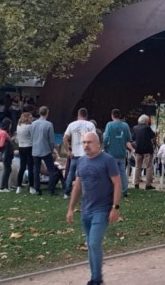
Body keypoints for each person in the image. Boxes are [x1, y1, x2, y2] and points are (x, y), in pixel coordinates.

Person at [66, 132, 121, 285]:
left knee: (94, 243)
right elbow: (77, 186)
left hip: (102, 209)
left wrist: (115, 207)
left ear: (98, 144)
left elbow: (117, 183)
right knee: (90, 245)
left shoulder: (107, 160)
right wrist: (71, 208)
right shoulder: (81, 161)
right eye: (84, 142)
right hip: (86, 210)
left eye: (89, 142)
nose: (86, 145)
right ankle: (94, 276)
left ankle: (96, 279)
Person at [63, 108, 96, 199]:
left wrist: (68, 151)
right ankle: (86, 192)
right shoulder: (90, 125)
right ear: (86, 115)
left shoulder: (72, 124)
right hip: (86, 153)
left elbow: (65, 138)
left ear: (78, 115)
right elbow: (94, 138)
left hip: (75, 152)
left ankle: (67, 192)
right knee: (86, 173)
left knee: (71, 172)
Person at [103, 109, 135, 197]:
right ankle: (124, 190)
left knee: (110, 172)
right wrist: (132, 149)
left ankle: (111, 189)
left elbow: (106, 138)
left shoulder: (109, 125)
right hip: (122, 153)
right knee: (122, 172)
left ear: (112, 116)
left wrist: (103, 147)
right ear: (120, 116)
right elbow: (128, 141)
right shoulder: (125, 126)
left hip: (111, 153)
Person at [30, 106, 57, 196]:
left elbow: (31, 135)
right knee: (51, 169)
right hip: (46, 149)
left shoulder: (33, 124)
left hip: (36, 149)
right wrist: (52, 149)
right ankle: (51, 189)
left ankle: (37, 188)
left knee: (36, 170)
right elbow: (51, 139)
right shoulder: (49, 124)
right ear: (47, 113)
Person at [132, 114, 156, 190]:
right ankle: (148, 184)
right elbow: (153, 135)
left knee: (137, 167)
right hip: (147, 150)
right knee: (148, 167)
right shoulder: (147, 127)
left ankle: (136, 183)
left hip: (138, 149)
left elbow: (133, 138)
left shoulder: (135, 128)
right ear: (146, 121)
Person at [16, 112, 36, 194]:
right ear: (27, 118)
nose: (32, 119)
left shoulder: (19, 126)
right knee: (31, 167)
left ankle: (18, 186)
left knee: (22, 167)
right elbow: (33, 136)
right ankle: (31, 186)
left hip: (21, 147)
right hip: (29, 147)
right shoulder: (30, 127)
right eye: (30, 117)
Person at [0, 118, 14, 192]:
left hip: (6, 153)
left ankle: (6, 186)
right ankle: (3, 187)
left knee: (9, 169)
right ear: (8, 125)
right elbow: (1, 144)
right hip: (6, 154)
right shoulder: (3, 133)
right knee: (7, 170)